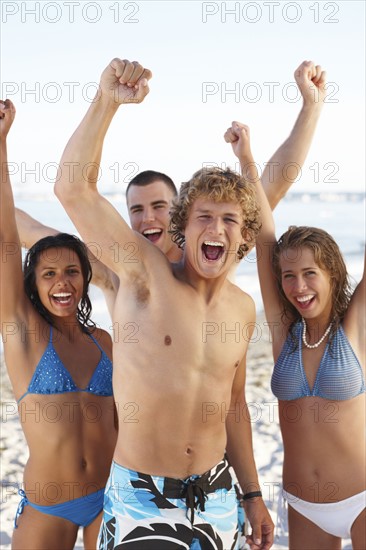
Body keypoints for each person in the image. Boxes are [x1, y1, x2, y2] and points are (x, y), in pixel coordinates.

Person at [54, 57, 274, 550]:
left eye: (229, 221)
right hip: (141, 494)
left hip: (216, 494)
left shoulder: (241, 309)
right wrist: (107, 101)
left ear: (243, 237)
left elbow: (233, 406)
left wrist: (253, 493)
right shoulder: (144, 276)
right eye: (204, 217)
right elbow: (72, 189)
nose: (216, 229)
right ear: (183, 226)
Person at [16, 59, 327, 316]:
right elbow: (32, 225)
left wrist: (311, 109)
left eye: (158, 207)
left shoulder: (214, 260)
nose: (148, 218)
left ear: (181, 214)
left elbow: (271, 188)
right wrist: (106, 101)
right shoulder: (115, 267)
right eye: (137, 210)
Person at [225, 120, 366, 549]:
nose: (298, 286)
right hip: (303, 505)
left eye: (310, 274)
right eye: (289, 276)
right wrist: (247, 158)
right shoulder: (286, 334)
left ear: (333, 275)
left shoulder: (355, 330)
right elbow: (266, 239)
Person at [0, 99, 116, 550]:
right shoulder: (23, 333)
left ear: (85, 279)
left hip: (110, 499)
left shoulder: (104, 341)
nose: (62, 282)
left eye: (72, 271)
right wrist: (2, 145)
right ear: (33, 282)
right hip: (50, 506)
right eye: (48, 273)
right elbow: (7, 240)